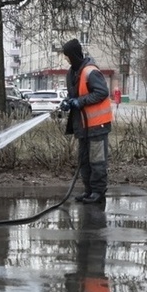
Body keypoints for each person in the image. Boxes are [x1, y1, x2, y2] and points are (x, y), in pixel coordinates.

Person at [62, 38, 113, 204]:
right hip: (83, 126)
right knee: (84, 160)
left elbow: (102, 92)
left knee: (97, 160)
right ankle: (89, 190)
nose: (66, 59)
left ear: (74, 54)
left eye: (68, 55)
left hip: (98, 125)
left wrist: (80, 101)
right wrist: (67, 102)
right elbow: (73, 95)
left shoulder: (91, 71)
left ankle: (98, 192)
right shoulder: (72, 73)